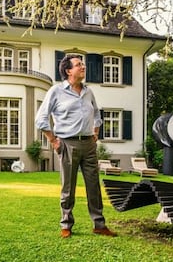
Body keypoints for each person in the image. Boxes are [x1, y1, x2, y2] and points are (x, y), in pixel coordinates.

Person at [35, 54, 117, 238]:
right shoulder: (56, 92)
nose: (83, 67)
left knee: (93, 186)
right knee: (68, 187)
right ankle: (66, 225)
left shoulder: (88, 92)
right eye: (79, 65)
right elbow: (40, 119)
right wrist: (54, 140)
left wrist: (95, 133)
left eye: (82, 64)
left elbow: (96, 114)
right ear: (68, 70)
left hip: (88, 144)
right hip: (67, 143)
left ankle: (99, 224)